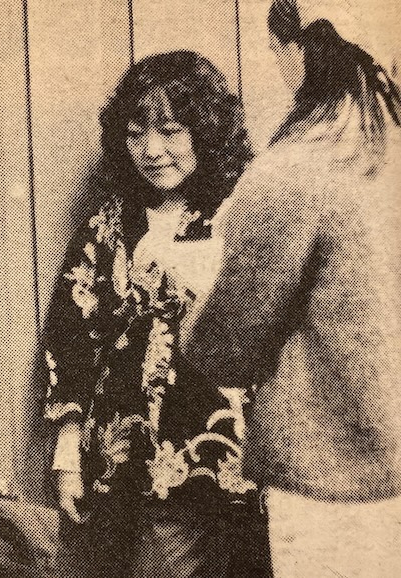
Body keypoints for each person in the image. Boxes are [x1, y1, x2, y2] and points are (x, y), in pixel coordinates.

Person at [181, 1, 401, 576]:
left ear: (295, 52)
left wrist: (195, 296)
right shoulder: (390, 156)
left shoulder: (293, 172)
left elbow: (225, 352)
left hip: (335, 481)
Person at [43, 51, 270, 578]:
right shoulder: (112, 224)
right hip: (131, 468)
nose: (152, 150)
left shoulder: (242, 213)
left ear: (205, 132)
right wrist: (67, 451)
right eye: (137, 132)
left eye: (170, 131)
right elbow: (72, 336)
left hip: (234, 459)